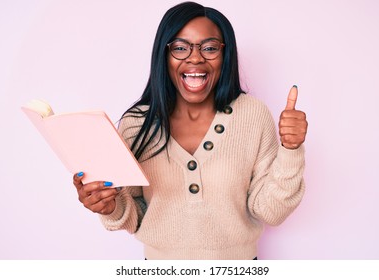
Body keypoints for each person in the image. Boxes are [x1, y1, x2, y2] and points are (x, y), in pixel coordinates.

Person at [73, 1, 308, 260]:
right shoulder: (136, 123)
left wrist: (291, 150)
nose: (195, 58)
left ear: (224, 55)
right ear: (164, 55)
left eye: (209, 48)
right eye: (180, 48)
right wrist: (108, 206)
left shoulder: (253, 115)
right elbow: (134, 213)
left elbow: (270, 211)